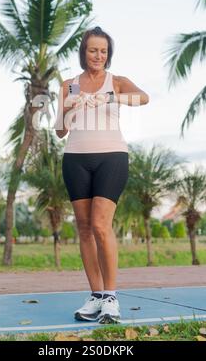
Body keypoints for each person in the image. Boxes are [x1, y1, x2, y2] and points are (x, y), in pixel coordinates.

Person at [54, 26, 149, 324]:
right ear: (84, 52)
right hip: (75, 159)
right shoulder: (69, 85)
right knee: (83, 229)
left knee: (100, 224)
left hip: (112, 157)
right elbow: (60, 131)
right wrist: (68, 109)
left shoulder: (117, 82)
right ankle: (95, 296)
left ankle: (111, 297)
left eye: (103, 51)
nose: (98, 55)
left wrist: (112, 98)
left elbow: (144, 97)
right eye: (93, 50)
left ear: (108, 54)